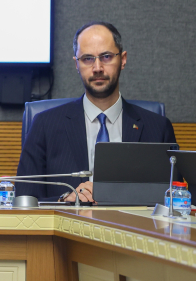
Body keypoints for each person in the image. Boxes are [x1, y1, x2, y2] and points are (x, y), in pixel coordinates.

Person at [16, 22, 176, 203]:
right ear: (76, 64)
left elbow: (174, 200)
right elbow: (24, 199)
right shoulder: (45, 125)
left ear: (123, 59)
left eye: (106, 57)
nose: (97, 68)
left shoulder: (158, 128)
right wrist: (63, 200)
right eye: (87, 59)